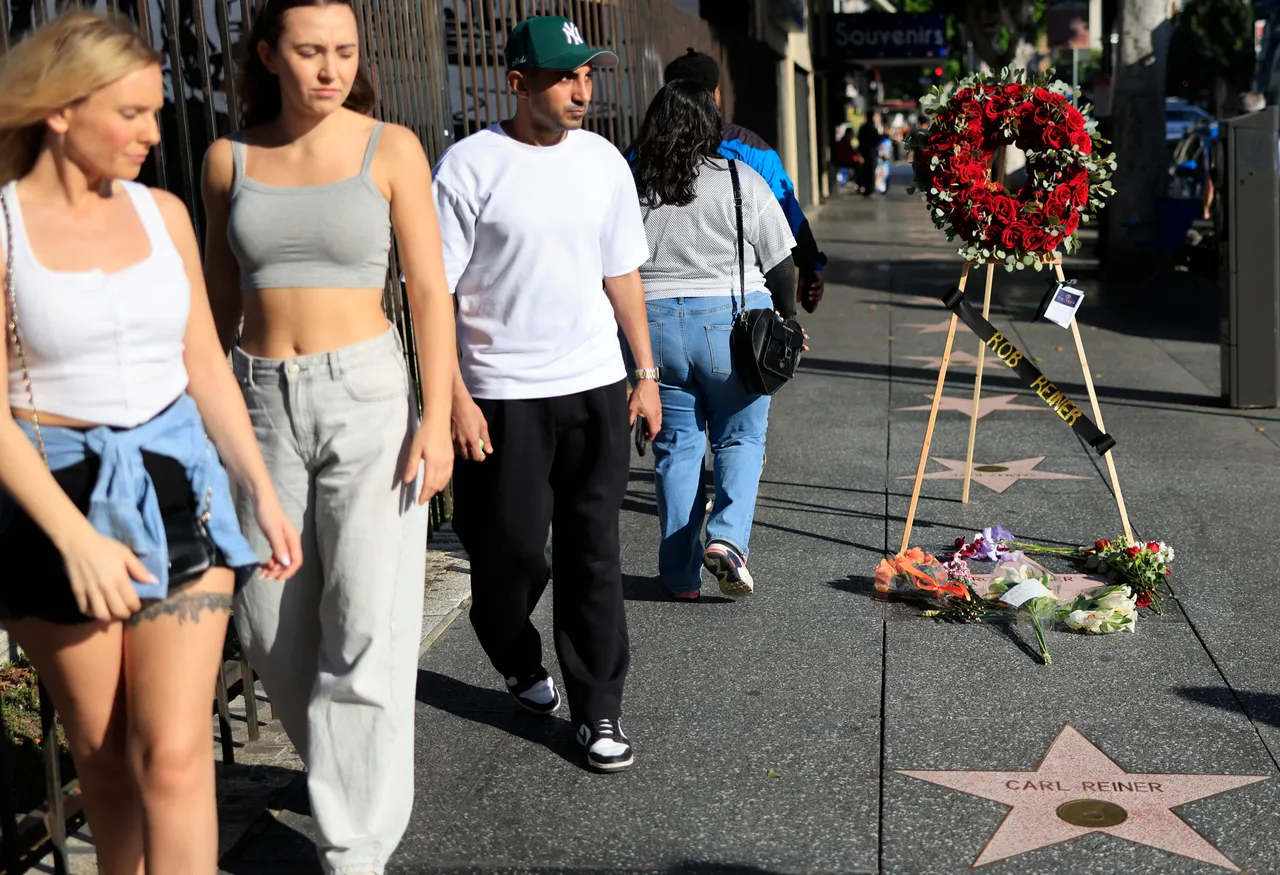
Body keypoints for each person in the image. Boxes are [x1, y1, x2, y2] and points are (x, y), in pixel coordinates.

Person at [0, 10, 302, 874]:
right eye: (129, 114)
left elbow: (203, 363)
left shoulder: (162, 211)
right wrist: (74, 539)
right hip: (52, 495)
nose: (151, 133)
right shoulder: (5, 229)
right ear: (59, 111)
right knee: (106, 757)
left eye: (156, 113)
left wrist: (257, 487)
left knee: (173, 754)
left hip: (178, 485)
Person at [199, 0, 456, 870]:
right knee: (269, 626)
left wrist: (438, 416)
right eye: (310, 52)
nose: (329, 69)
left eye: (343, 52)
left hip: (368, 396)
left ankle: (354, 847)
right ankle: (349, 779)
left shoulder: (392, 149)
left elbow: (428, 294)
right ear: (268, 55)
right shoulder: (229, 158)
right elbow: (218, 306)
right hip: (259, 396)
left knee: (364, 620)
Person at [433, 15, 661, 773]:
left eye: (587, 74)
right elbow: (431, 292)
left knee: (593, 552)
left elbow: (621, 272)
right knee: (508, 553)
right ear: (518, 82)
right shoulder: (468, 167)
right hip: (501, 395)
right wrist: (455, 397)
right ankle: (516, 655)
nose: (580, 89)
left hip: (594, 385)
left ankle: (600, 708)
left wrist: (646, 372)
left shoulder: (603, 163)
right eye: (565, 76)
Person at [631, 80, 796, 601]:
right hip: (730, 328)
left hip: (653, 329)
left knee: (677, 450)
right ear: (710, 126)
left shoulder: (635, 185)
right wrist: (787, 318)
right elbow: (782, 262)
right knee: (739, 439)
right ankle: (726, 540)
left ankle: (679, 577)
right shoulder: (738, 179)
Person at [661, 48, 826, 314]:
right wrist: (810, 265)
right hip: (736, 305)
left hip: (655, 309)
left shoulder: (639, 154)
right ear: (716, 94)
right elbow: (785, 209)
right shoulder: (750, 150)